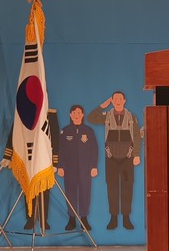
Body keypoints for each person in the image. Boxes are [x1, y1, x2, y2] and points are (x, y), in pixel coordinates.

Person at [88, 91, 142, 230]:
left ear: (124, 100)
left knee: (127, 188)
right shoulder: (107, 116)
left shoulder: (131, 117)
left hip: (127, 158)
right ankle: (113, 218)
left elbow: (136, 136)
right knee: (112, 187)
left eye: (120, 98)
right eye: (115, 99)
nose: (117, 101)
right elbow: (91, 118)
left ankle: (126, 218)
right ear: (112, 101)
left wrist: (136, 154)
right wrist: (103, 106)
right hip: (111, 158)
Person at [56, 105, 98, 231]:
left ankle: (84, 219)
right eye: (73, 113)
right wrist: (60, 166)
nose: (76, 115)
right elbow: (60, 150)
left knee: (85, 192)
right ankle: (72, 219)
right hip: (69, 168)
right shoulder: (65, 131)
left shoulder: (89, 131)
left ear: (83, 114)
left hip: (85, 168)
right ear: (70, 115)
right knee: (70, 193)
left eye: (79, 112)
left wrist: (94, 166)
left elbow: (94, 150)